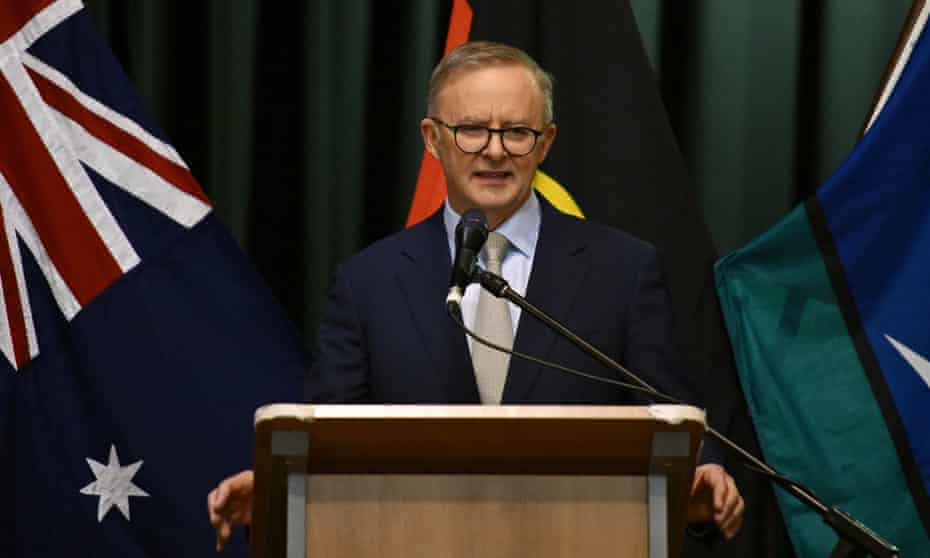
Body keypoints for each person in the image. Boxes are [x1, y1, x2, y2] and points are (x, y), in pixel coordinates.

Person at [208, 41, 744, 551]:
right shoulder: (368, 281)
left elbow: (668, 418)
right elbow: (324, 440)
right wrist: (277, 496)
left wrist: (702, 469)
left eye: (516, 131)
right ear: (432, 137)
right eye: (470, 130)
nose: (494, 150)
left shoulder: (623, 270)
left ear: (546, 142)